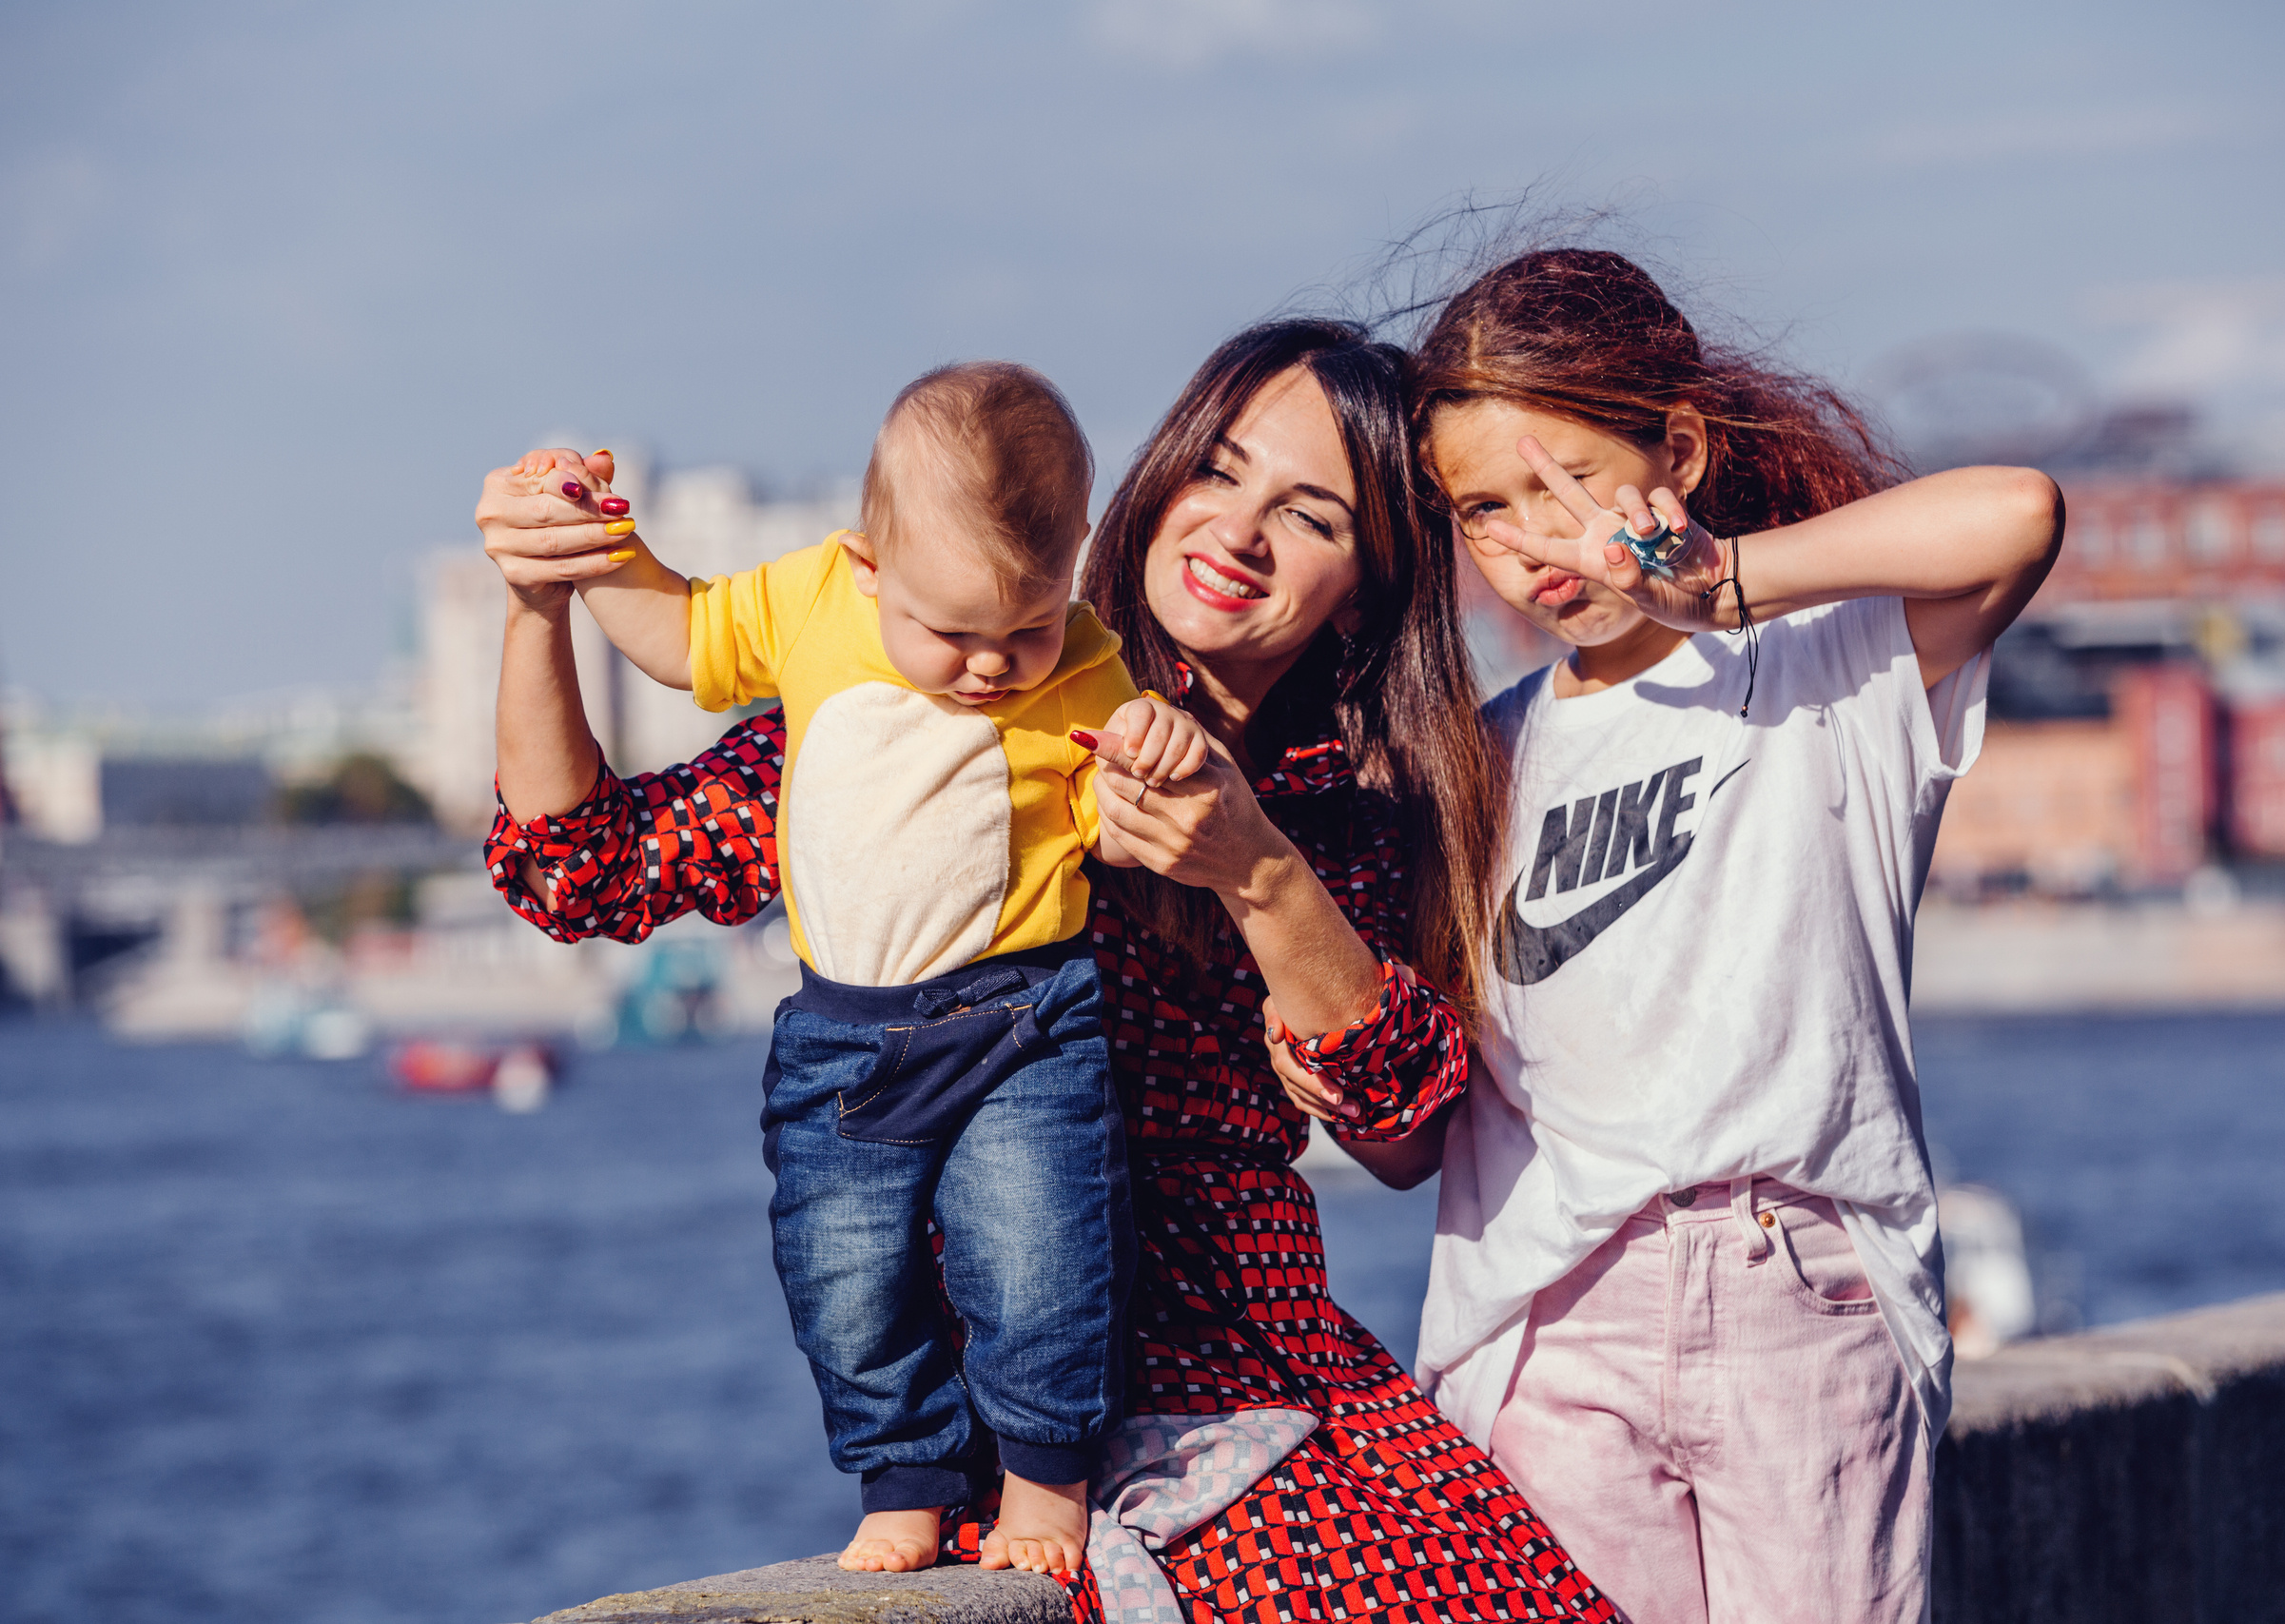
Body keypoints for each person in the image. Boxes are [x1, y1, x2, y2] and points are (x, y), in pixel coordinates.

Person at [476, 320, 1618, 1624]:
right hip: (1027, 1433)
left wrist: (1254, 866)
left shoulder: (1351, 799)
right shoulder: (955, 680)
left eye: (1308, 514)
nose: (1238, 530)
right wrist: (534, 602)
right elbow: (586, 870)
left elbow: (1410, 1129)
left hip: (1268, 1374)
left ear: (1364, 581)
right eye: (1217, 469)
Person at [1406, 248, 2063, 1622]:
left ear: (1683, 452)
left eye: (1574, 482)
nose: (1539, 540)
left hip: (1800, 1292)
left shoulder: (1831, 669)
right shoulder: (1481, 759)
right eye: (1485, 506)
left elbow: (2017, 511)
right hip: (1547, 1316)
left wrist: (1727, 586)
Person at [488, 362, 1211, 1578]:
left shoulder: (1088, 663)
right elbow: (676, 634)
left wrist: (1155, 756)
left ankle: (1044, 1481)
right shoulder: (809, 602)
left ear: (1075, 568)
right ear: (867, 564)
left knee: (1042, 1251)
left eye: (1024, 628)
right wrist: (587, 549)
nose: (991, 667)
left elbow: (1125, 805)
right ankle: (905, 1477)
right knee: (838, 1268)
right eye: (951, 632)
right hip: (843, 1030)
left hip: (1020, 1022)